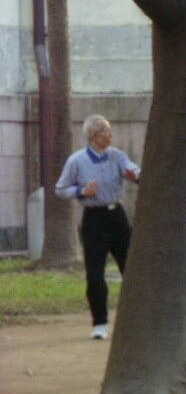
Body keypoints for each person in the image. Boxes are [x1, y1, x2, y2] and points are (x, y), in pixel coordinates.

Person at [55, 114, 141, 339]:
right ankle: (99, 323)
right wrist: (80, 191)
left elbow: (134, 170)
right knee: (95, 273)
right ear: (94, 136)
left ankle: (135, 320)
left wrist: (135, 175)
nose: (111, 136)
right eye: (107, 132)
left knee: (131, 268)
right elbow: (60, 188)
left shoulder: (117, 156)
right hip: (93, 219)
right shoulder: (76, 161)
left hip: (117, 216)